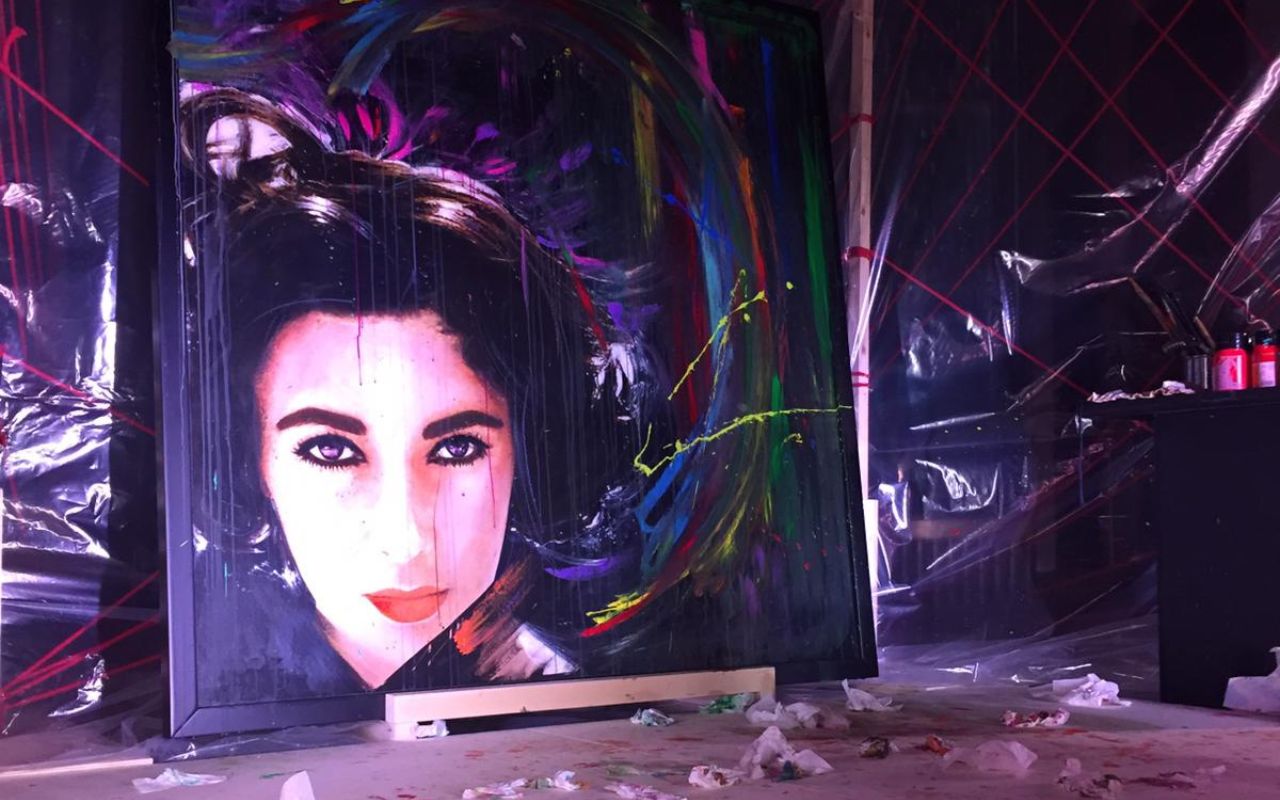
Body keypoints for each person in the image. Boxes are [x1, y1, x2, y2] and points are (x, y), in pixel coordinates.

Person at [182, 90, 643, 701]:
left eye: (457, 448)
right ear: (251, 459)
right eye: (329, 450)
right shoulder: (221, 688)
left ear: (529, 448)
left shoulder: (579, 699)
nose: (403, 539)